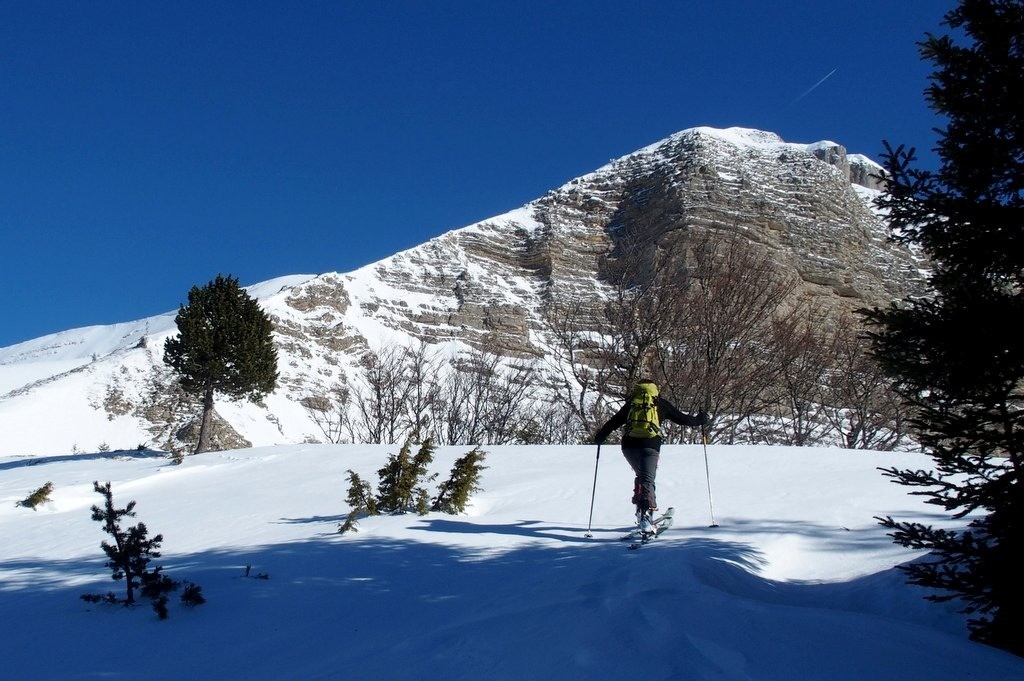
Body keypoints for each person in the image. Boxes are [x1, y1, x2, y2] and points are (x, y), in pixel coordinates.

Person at [594, 378, 708, 535]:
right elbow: (684, 419)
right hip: (650, 447)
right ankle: (646, 517)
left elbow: (613, 423)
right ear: (655, 390)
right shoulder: (660, 404)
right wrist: (700, 420)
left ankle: (640, 509)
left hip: (629, 447)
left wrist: (600, 437)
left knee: (641, 476)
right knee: (647, 480)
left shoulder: (632, 404)